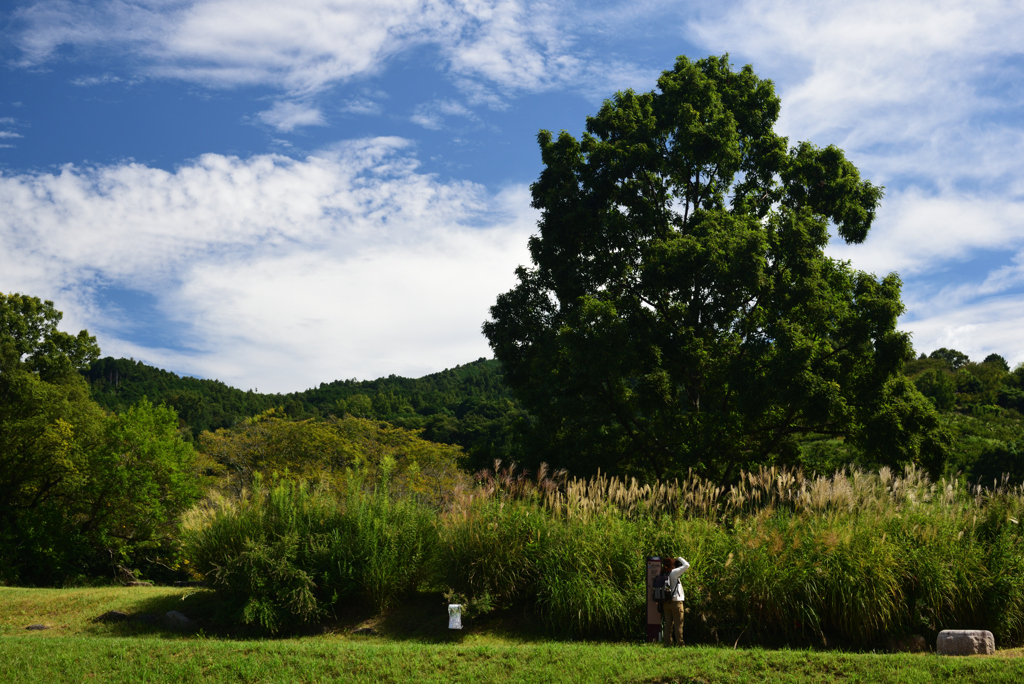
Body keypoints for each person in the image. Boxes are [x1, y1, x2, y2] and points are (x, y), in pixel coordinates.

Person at [663, 556, 690, 646]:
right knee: (678, 624)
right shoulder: (673, 573)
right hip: (676, 602)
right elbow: (686, 565)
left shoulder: (662, 573)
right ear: (672, 565)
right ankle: (680, 643)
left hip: (666, 603)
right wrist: (679, 558)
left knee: (668, 625)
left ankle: (667, 643)